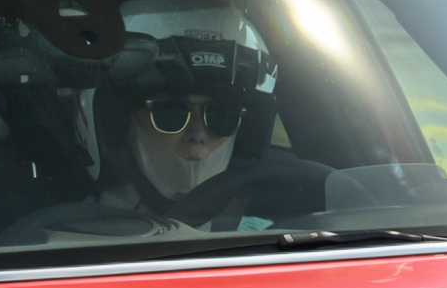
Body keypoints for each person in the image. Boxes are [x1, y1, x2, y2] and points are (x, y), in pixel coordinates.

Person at [112, 26, 331, 232]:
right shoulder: (92, 237)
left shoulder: (263, 237)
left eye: (221, 116)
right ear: (121, 120)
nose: (198, 135)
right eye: (170, 113)